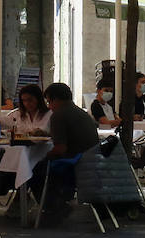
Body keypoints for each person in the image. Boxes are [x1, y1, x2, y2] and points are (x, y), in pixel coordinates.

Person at [39, 82, 101, 222]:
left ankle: (53, 206)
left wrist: (43, 156)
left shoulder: (58, 116)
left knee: (36, 170)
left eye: (49, 102)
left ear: (56, 100)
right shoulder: (81, 112)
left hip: (75, 164)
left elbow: (61, 148)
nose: (49, 106)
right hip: (92, 162)